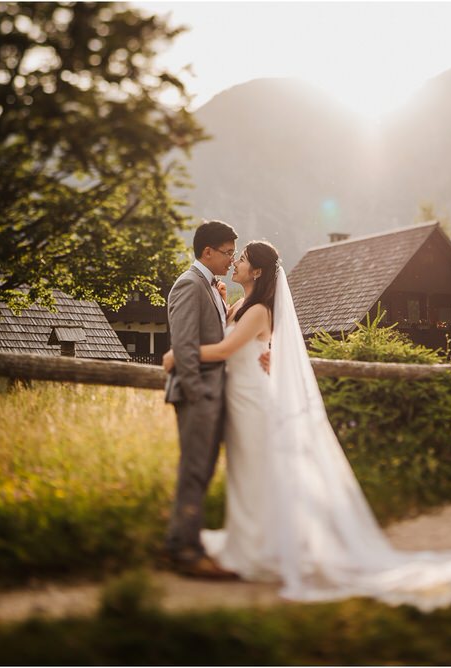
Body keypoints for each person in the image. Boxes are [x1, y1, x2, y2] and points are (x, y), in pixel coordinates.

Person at [162, 238, 451, 625]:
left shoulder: (261, 311)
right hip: (243, 398)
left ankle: (276, 547)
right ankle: (254, 543)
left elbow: (224, 351)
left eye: (241, 258)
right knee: (250, 477)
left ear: (258, 271)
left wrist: (174, 357)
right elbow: (237, 342)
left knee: (265, 475)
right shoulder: (242, 303)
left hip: (251, 403)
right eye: (232, 255)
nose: (235, 261)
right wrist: (239, 325)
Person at [161, 219, 239, 580]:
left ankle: (187, 541)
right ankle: (183, 550)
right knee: (194, 470)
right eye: (226, 253)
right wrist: (198, 395)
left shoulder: (209, 286)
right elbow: (185, 347)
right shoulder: (188, 285)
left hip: (211, 395)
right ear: (207, 251)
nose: (231, 259)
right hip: (198, 396)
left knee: (202, 470)